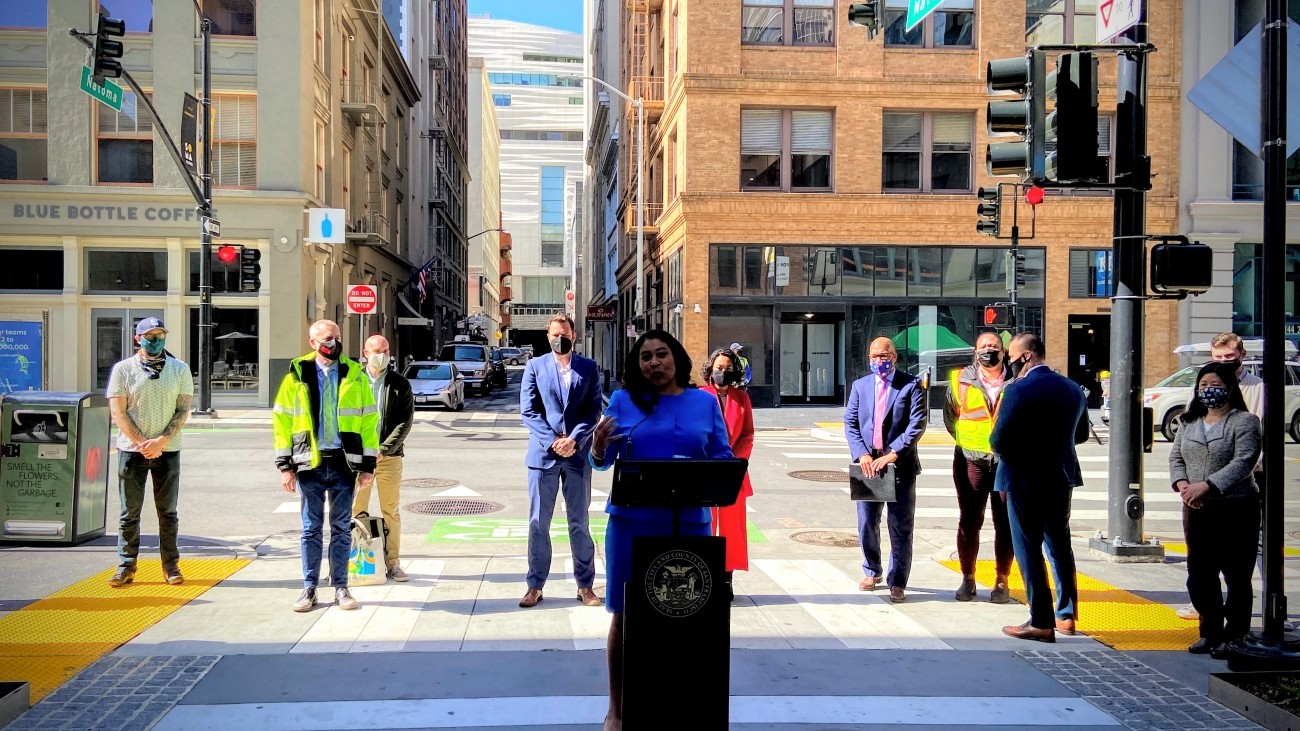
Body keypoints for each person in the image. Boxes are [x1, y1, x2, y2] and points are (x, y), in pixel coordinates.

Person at [589, 330, 733, 731]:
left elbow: (721, 456)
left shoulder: (704, 402)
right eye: (645, 357)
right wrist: (598, 448)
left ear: (677, 358)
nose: (653, 363)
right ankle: (618, 710)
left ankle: (686, 702)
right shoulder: (622, 401)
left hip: (689, 525)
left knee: (690, 615)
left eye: (661, 354)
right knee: (624, 615)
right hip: (631, 526)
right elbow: (602, 461)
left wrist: (723, 471)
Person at [273, 320, 379, 613]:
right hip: (310, 463)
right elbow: (281, 422)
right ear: (313, 343)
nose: (333, 343)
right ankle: (309, 588)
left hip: (344, 463)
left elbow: (370, 422)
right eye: (328, 338)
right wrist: (285, 466)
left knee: (341, 528)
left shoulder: (354, 374)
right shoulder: (296, 376)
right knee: (311, 529)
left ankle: (341, 587)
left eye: (337, 338)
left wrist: (368, 464)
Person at [990, 332, 1089, 643]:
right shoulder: (1073, 389)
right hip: (1060, 476)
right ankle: (1067, 616)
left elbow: (998, 440)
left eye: (1013, 357)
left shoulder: (1018, 390)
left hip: (1022, 478)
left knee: (1028, 549)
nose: (1010, 361)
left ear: (1027, 356)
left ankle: (1041, 621)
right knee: (1060, 545)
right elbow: (1082, 434)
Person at [1170, 361, 1261, 658]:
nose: (1209, 391)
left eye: (1215, 386)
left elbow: (1244, 462)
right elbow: (1176, 458)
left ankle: (1235, 635)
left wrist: (1207, 486)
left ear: (1229, 388)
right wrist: (1184, 486)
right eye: (1204, 386)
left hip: (1236, 507)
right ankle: (1209, 631)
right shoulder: (1188, 422)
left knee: (1236, 575)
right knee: (1199, 574)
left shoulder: (1245, 421)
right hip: (1196, 508)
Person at [518, 313, 605, 608]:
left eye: (564, 334)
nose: (559, 339)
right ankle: (535, 585)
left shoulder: (589, 368)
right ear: (548, 337)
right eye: (555, 334)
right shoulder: (534, 366)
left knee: (579, 522)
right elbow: (529, 411)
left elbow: (593, 411)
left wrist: (574, 440)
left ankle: (585, 586)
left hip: (577, 456)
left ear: (574, 335)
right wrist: (554, 441)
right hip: (543, 456)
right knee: (538, 523)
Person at [105, 317, 193, 588]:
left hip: (167, 451)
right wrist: (143, 442)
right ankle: (126, 565)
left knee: (167, 512)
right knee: (129, 512)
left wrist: (161, 441)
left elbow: (183, 410)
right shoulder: (123, 370)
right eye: (149, 336)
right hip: (132, 451)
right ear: (137, 339)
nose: (155, 341)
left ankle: (171, 565)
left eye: (160, 336)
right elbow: (118, 412)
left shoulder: (180, 369)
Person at [844, 336, 926, 603]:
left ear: (895, 357)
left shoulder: (911, 386)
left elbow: (917, 424)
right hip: (868, 465)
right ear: (868, 358)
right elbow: (851, 422)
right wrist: (862, 454)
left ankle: (897, 580)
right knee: (867, 521)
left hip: (899, 465)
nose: (879, 360)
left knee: (900, 525)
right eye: (875, 356)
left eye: (885, 355)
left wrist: (892, 454)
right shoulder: (860, 386)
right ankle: (872, 570)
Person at [942, 331, 1013, 603]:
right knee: (970, 521)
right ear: (975, 351)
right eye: (983, 346)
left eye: (994, 346)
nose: (988, 350)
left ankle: (1001, 579)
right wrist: (967, 442)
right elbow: (951, 418)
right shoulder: (960, 380)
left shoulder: (1016, 379)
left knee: (1004, 523)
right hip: (971, 460)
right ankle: (968, 578)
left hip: (1006, 461)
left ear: (1003, 352)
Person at [352, 334, 415, 582]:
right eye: (377, 350)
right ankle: (355, 561)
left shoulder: (399, 383)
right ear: (365, 353)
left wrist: (384, 449)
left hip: (388, 458)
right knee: (356, 510)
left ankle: (393, 563)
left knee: (391, 511)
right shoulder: (352, 381)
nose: (382, 355)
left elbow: (404, 422)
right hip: (358, 458)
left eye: (386, 351)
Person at [700, 347, 756, 601]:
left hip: (732, 472)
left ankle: (726, 578)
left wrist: (736, 461)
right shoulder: (700, 396)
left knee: (732, 530)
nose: (722, 372)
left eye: (727, 368)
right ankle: (704, 576)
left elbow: (747, 435)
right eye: (718, 367)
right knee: (704, 526)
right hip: (705, 470)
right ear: (710, 368)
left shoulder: (741, 398)